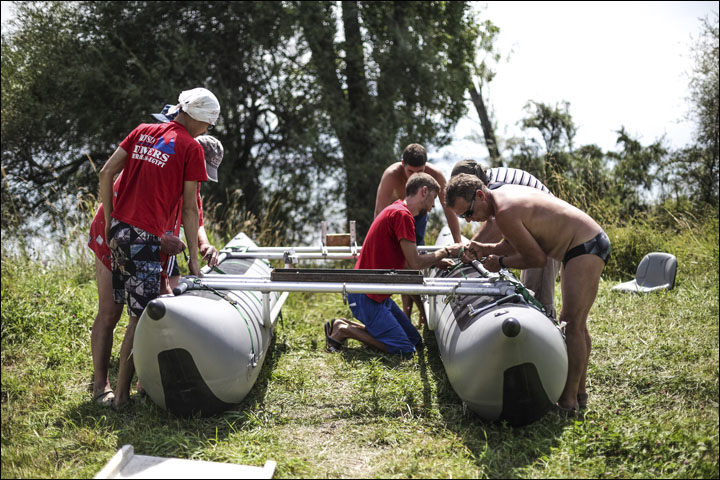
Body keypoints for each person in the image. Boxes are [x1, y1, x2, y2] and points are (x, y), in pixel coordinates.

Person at [445, 173, 611, 413]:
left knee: (571, 323)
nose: (470, 221)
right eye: (463, 217)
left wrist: (500, 262)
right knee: (577, 324)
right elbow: (516, 241)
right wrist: (485, 249)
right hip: (585, 242)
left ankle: (568, 402)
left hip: (585, 245)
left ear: (480, 195)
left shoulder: (504, 212)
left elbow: (537, 258)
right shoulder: (501, 197)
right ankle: (579, 393)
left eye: (468, 213)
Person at [98, 87, 220, 409]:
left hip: (121, 234)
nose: (206, 130)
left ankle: (132, 387)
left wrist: (112, 221)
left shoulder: (142, 131)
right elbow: (191, 209)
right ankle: (123, 398)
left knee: (132, 313)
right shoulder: (190, 147)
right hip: (146, 240)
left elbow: (106, 173)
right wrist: (194, 258)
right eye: (208, 124)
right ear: (197, 118)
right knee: (140, 320)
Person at [326, 173, 463, 355]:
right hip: (366, 296)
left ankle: (343, 324)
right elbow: (414, 263)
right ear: (424, 191)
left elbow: (406, 258)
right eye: (433, 199)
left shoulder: (398, 209)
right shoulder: (402, 216)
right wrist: (445, 251)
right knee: (405, 349)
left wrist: (435, 262)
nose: (433, 206)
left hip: (377, 295)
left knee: (415, 341)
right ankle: (345, 330)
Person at [450, 159, 561, 318]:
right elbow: (491, 225)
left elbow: (495, 228)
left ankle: (549, 334)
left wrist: (467, 252)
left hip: (547, 235)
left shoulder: (497, 187)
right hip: (535, 233)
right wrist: (471, 249)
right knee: (529, 290)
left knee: (539, 298)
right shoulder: (491, 182)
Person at [374, 144, 462, 326]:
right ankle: (410, 313)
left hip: (418, 218)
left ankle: (418, 312)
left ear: (426, 166)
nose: (414, 176)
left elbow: (449, 210)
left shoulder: (435, 175)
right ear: (402, 164)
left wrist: (458, 242)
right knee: (404, 264)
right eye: (410, 171)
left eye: (420, 171)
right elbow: (379, 211)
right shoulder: (391, 175)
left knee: (414, 265)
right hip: (395, 219)